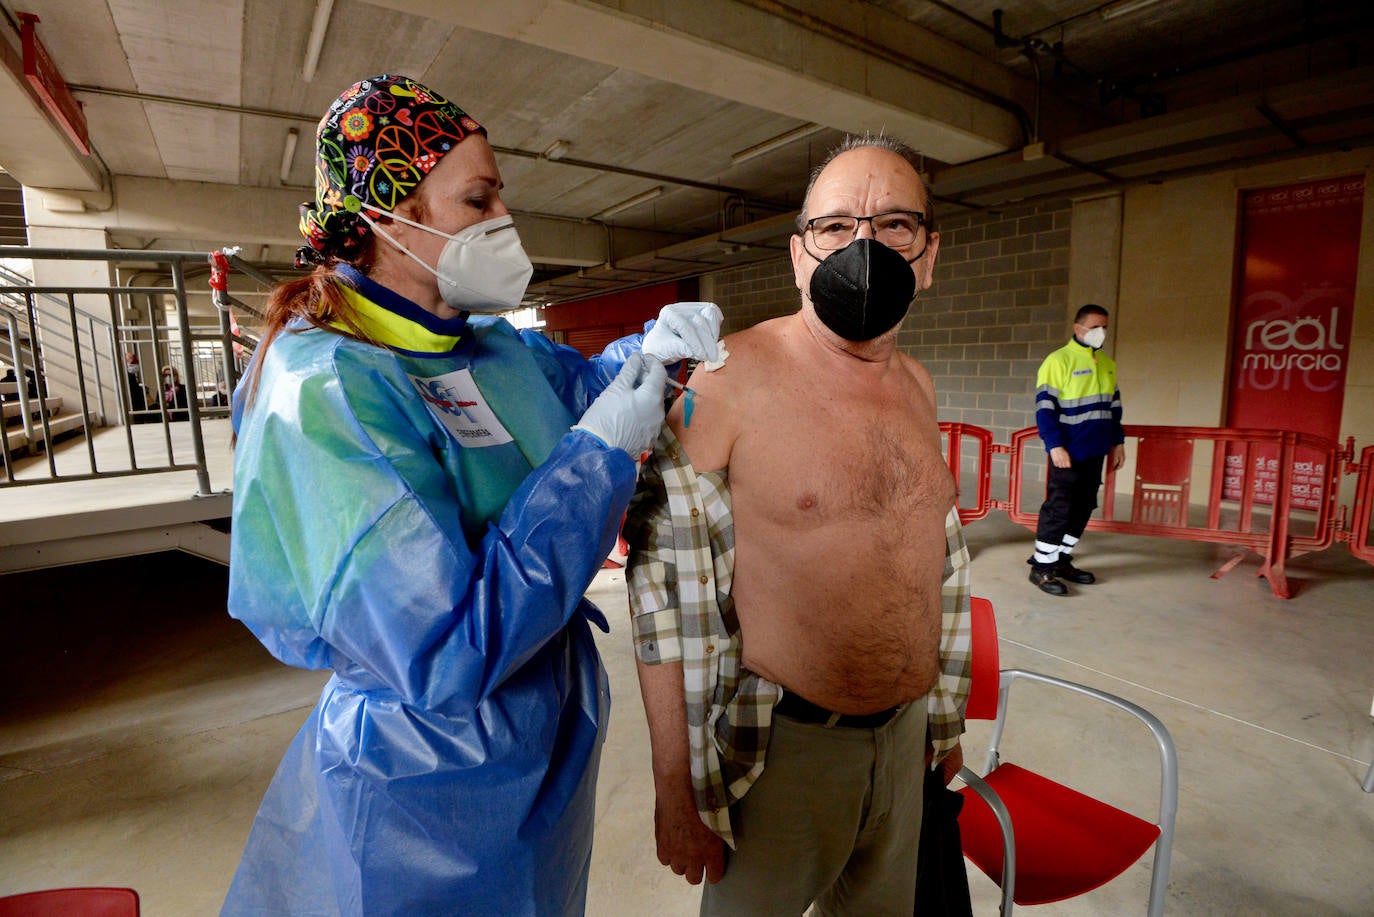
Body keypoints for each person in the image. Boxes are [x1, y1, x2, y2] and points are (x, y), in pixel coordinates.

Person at [222, 74, 721, 916]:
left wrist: (653, 353)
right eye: (477, 199)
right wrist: (601, 453)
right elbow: (447, 643)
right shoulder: (325, 392)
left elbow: (578, 391)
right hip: (425, 782)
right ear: (386, 216)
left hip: (540, 744)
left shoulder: (481, 346)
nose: (502, 226)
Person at [625, 134, 972, 915]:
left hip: (907, 741)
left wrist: (943, 715)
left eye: (894, 225)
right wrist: (675, 791)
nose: (864, 245)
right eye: (836, 226)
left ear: (928, 255)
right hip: (781, 757)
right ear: (797, 254)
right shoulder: (728, 380)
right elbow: (663, 597)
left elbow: (932, 564)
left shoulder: (918, 384)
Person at [1026, 303, 1126, 596]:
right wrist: (1054, 445)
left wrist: (1118, 442)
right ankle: (1041, 567)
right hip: (1068, 451)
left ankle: (1060, 559)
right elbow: (1045, 409)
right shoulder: (1058, 361)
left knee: (1084, 506)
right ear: (1078, 328)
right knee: (1059, 508)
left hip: (1096, 450)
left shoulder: (1107, 364)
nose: (1101, 332)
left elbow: (1115, 408)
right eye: (1095, 327)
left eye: (1104, 327)